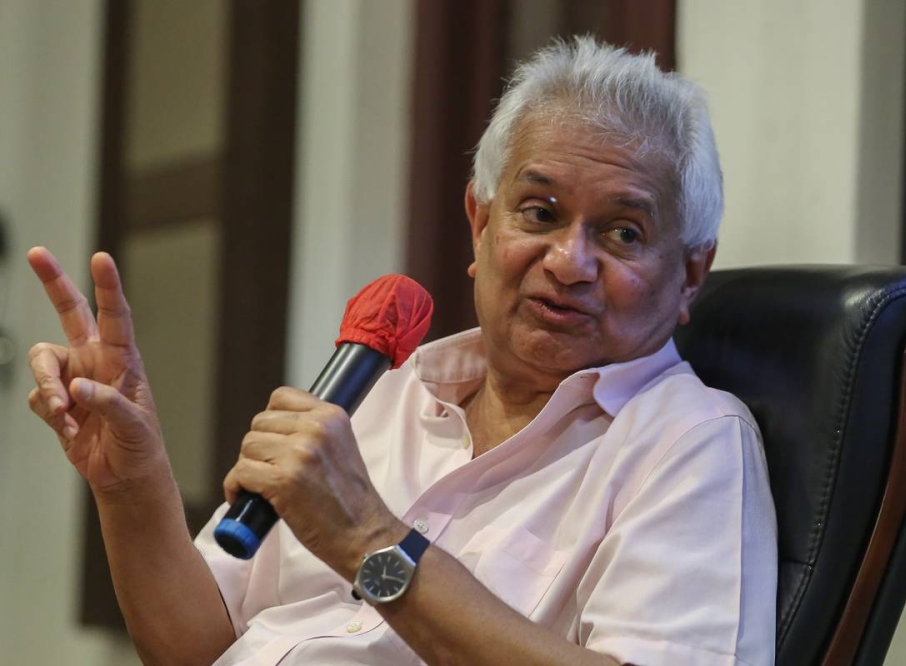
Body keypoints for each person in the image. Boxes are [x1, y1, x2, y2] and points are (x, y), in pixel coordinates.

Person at [26, 37, 776, 665]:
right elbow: (195, 645)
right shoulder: (379, 392)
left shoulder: (690, 443)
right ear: (480, 226)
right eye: (539, 213)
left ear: (690, 274)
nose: (569, 262)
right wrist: (131, 484)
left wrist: (368, 539)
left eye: (623, 234)